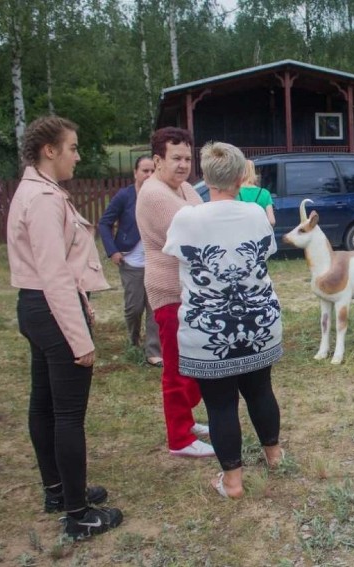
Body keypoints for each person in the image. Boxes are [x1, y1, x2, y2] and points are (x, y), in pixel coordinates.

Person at [7, 115, 122, 540]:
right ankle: (78, 514)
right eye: (72, 147)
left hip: (37, 306)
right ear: (49, 151)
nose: (78, 155)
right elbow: (55, 274)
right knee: (68, 414)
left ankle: (58, 490)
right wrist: (79, 337)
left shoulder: (39, 191)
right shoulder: (42, 199)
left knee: (45, 404)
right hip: (51, 307)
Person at [163, 142, 284, 499]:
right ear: (240, 177)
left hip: (208, 329)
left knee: (220, 404)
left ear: (205, 176)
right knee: (261, 389)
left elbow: (173, 255)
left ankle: (232, 482)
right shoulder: (255, 214)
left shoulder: (187, 217)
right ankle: (274, 456)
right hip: (259, 321)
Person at [136, 127, 214, 458]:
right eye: (175, 158)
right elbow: (197, 231)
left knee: (193, 360)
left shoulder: (182, 188)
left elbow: (205, 220)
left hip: (190, 291)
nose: (183, 165)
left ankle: (187, 419)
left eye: (187, 158)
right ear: (158, 160)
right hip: (169, 291)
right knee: (176, 366)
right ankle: (179, 439)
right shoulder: (154, 194)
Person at [98, 156, 163, 366]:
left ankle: (154, 351)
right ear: (135, 173)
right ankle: (134, 341)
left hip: (156, 261)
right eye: (145, 171)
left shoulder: (161, 195)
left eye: (153, 171)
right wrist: (113, 251)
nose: (149, 175)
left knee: (154, 307)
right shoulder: (125, 196)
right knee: (134, 307)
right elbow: (104, 223)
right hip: (131, 261)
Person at [235, 159, 276, 226]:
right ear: (254, 172)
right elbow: (272, 221)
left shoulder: (234, 193)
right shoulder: (264, 193)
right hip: (259, 234)